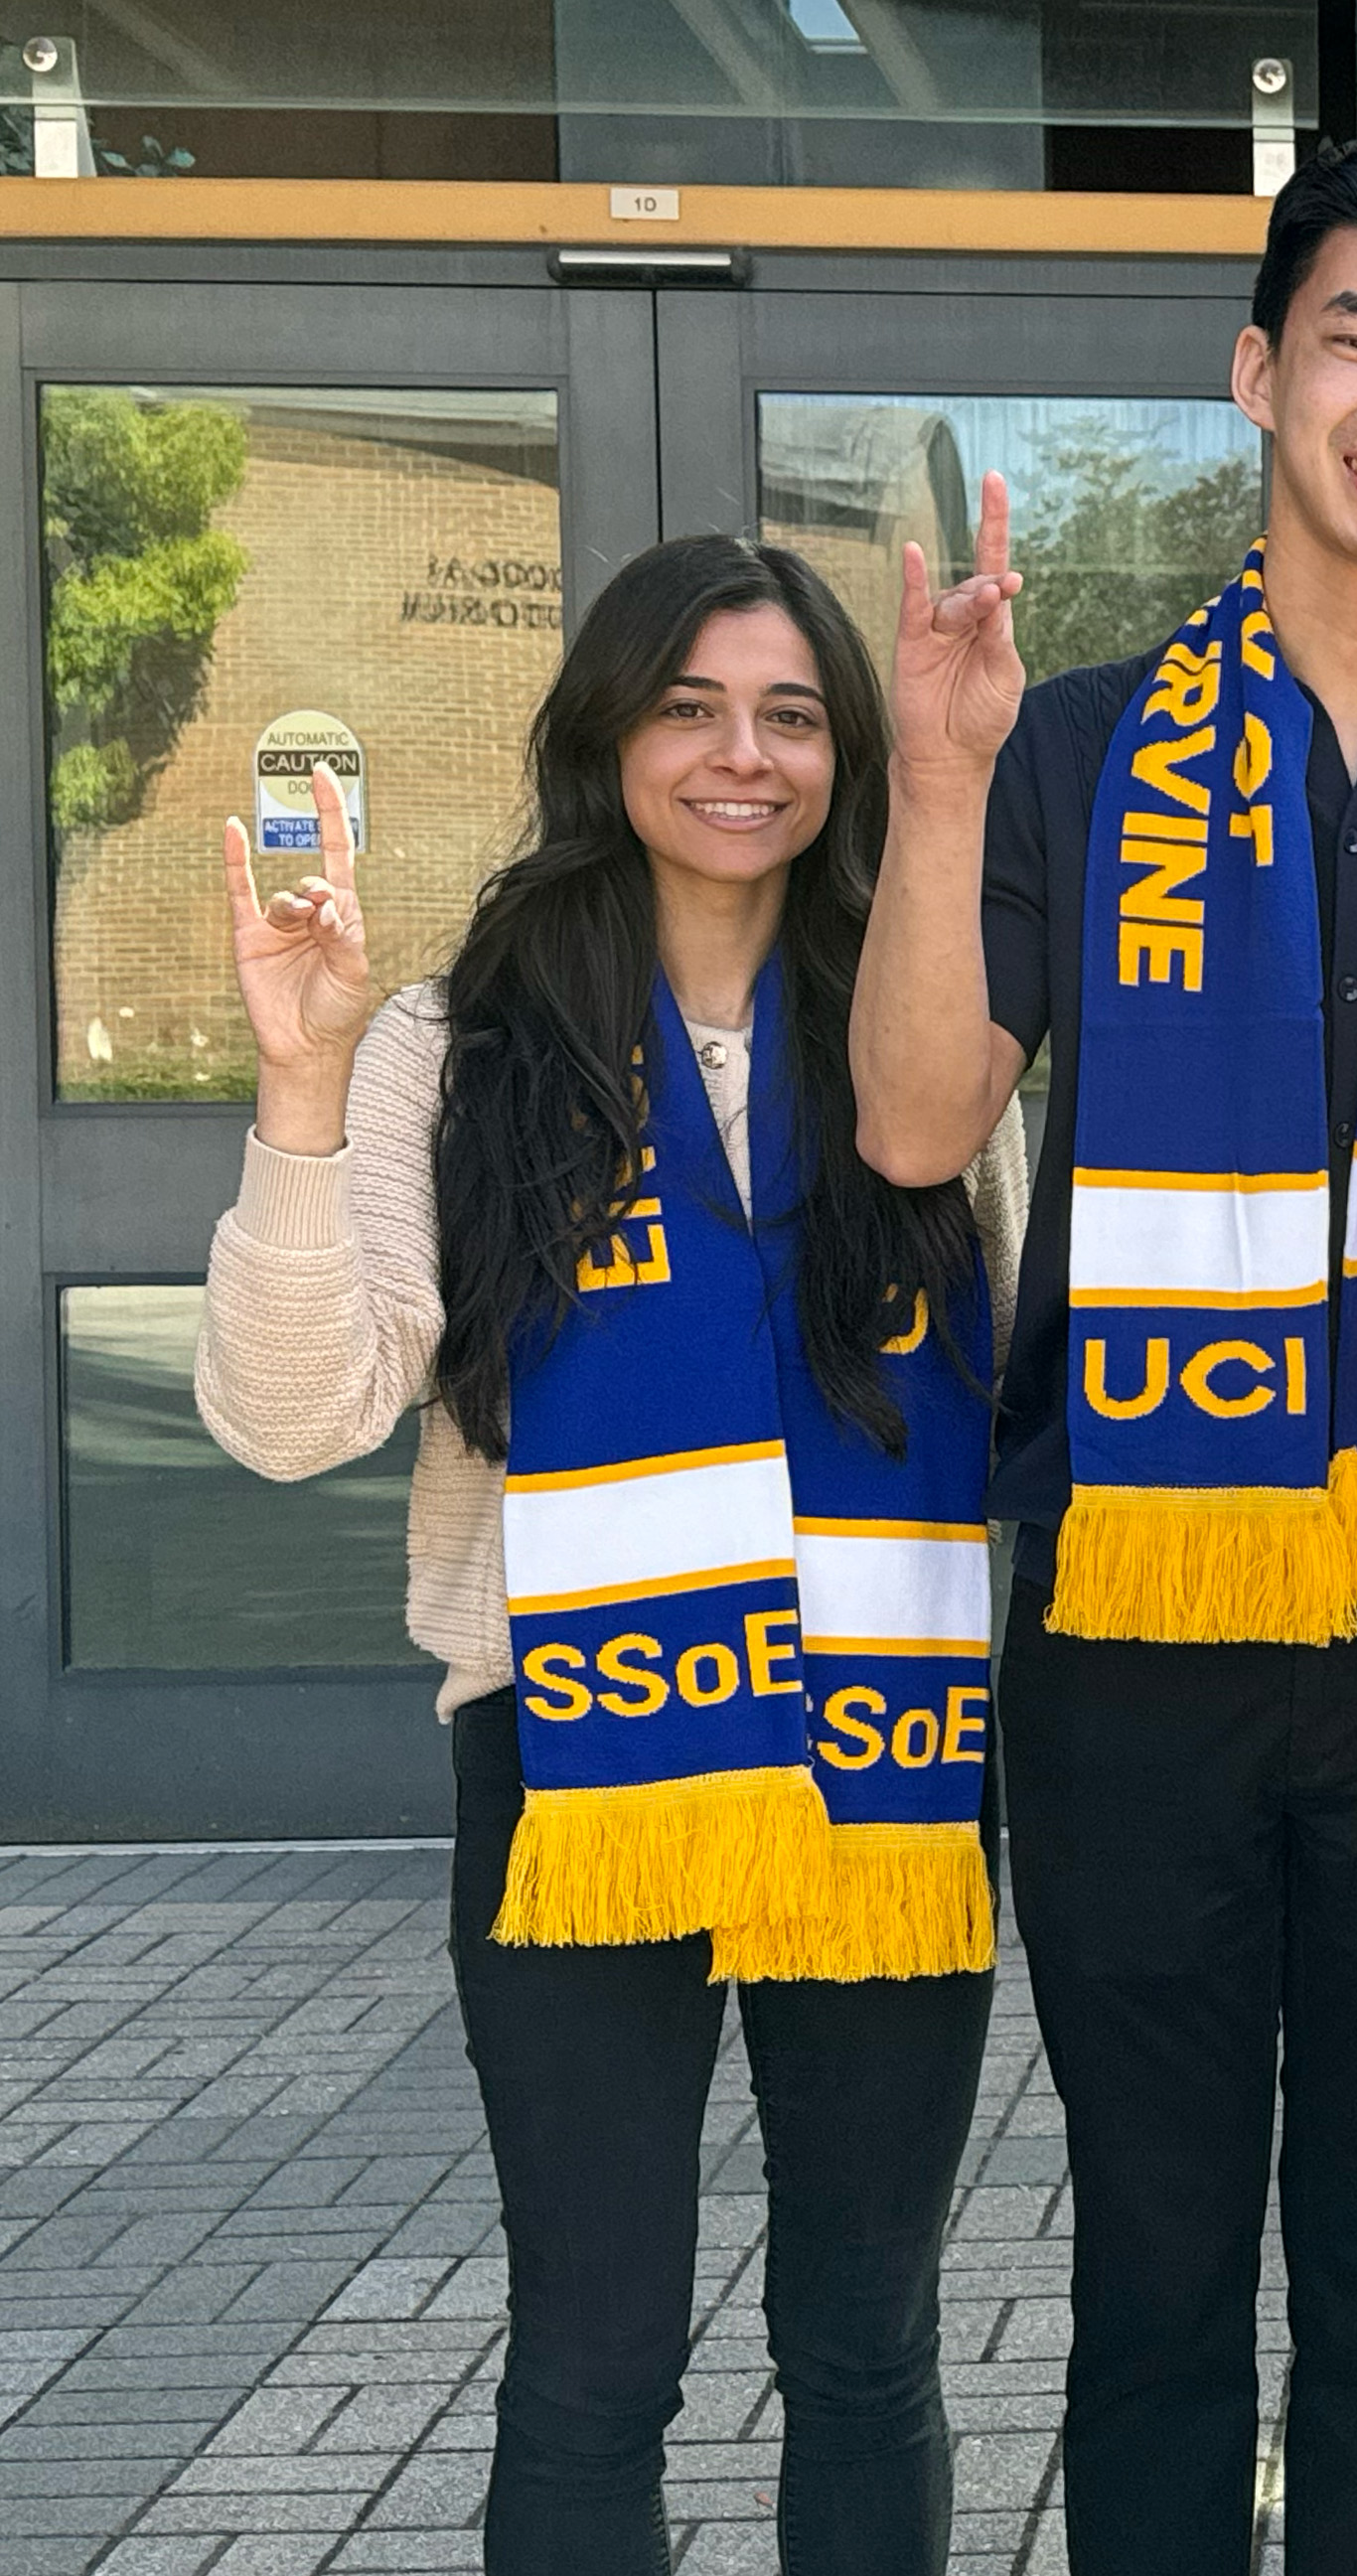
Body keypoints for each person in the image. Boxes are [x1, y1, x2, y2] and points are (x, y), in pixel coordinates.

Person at [844, 137, 1357, 2571]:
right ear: (1258, 375)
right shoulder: (1079, 741)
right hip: (1135, 1629)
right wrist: (947, 767)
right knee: (1157, 2273)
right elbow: (906, 1119)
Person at [194, 533, 1029, 2574]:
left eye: (790, 715)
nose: (741, 757)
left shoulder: (939, 1036)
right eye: (688, 707)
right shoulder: (456, 1041)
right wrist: (299, 1091)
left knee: (866, 2343)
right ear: (605, 733)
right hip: (574, 1762)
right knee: (594, 2349)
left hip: (886, 1761)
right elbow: (292, 1412)